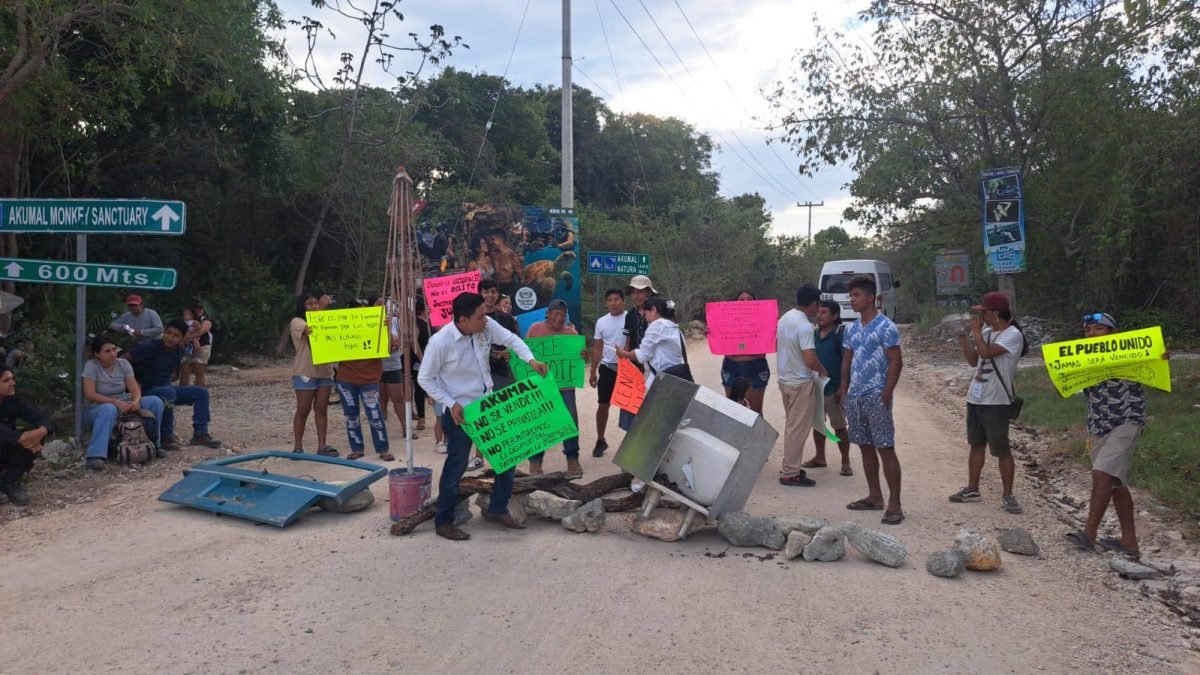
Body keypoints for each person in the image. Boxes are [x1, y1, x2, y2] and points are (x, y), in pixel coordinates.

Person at [418, 291, 548, 541]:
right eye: (480, 316)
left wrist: (531, 360)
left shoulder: (486, 328)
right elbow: (425, 378)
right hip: (461, 414)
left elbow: (512, 339)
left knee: (507, 457)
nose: (485, 320)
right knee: (456, 467)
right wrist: (450, 403)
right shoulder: (441, 342)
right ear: (462, 320)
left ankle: (497, 509)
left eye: (485, 315)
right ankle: (443, 521)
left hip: (489, 406)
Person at [1066, 312, 1164, 559]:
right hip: (1098, 427)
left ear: (1113, 333)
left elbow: (1156, 361)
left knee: (1102, 474)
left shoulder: (1130, 355)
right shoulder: (1085, 359)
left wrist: (1161, 356)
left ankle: (1089, 534)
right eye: (1088, 330)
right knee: (1116, 483)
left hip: (1127, 422)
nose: (1091, 334)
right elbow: (1067, 389)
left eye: (1098, 329)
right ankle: (1129, 543)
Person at [949, 291, 1027, 514]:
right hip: (976, 397)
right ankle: (972, 488)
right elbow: (975, 360)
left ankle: (1008, 494)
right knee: (976, 444)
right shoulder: (986, 331)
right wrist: (963, 337)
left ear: (996, 313)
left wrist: (974, 332)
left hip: (997, 401)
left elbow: (987, 352)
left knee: (1001, 449)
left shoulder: (1012, 335)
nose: (981, 317)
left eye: (984, 313)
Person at [839, 274, 905, 525]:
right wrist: (844, 388)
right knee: (865, 446)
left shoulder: (886, 326)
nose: (852, 301)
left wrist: (886, 392)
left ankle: (895, 503)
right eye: (851, 296)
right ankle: (874, 496)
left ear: (871, 298)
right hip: (856, 396)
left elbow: (896, 360)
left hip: (877, 394)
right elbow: (847, 359)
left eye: (856, 296)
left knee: (885, 447)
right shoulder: (851, 329)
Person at [128, 319, 223, 450]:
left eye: (176, 335)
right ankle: (166, 436)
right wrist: (131, 383)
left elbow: (195, 358)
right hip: (146, 389)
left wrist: (195, 343)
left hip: (165, 388)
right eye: (169, 333)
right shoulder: (149, 346)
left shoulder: (179, 350)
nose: (170, 338)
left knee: (201, 393)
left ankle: (200, 434)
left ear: (181, 338)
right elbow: (123, 360)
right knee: (169, 392)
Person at [82, 334, 166, 471]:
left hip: (123, 401)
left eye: (114, 349)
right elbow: (90, 394)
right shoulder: (91, 366)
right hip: (98, 406)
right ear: (97, 354)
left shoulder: (123, 364)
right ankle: (95, 455)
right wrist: (114, 402)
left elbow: (133, 387)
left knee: (155, 401)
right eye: (107, 351)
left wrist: (136, 401)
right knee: (108, 409)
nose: (113, 354)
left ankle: (155, 444)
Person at [526, 298, 588, 476]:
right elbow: (525, 352)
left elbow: (578, 359)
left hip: (566, 387)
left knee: (570, 421)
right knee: (539, 423)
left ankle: (572, 459)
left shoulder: (572, 334)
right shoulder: (534, 329)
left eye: (562, 315)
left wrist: (583, 354)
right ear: (548, 314)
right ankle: (535, 462)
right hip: (541, 387)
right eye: (555, 314)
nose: (559, 318)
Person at [776, 285, 827, 487]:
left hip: (785, 380)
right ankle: (790, 472)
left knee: (792, 426)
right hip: (800, 382)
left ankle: (791, 464)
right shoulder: (805, 326)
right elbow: (810, 359)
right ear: (814, 303)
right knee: (798, 428)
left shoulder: (784, 318)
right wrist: (822, 370)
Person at [333, 299, 393, 462]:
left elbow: (389, 349)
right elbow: (329, 348)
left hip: (369, 379)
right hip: (346, 379)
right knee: (351, 416)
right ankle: (357, 448)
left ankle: (382, 448)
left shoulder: (378, 327)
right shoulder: (341, 328)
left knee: (374, 414)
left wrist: (386, 329)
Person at [290, 294, 337, 456]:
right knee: (303, 410)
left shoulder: (325, 319)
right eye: (310, 304)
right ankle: (298, 447)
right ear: (302, 308)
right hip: (305, 372)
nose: (315, 306)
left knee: (321, 409)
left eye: (316, 303)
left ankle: (322, 446)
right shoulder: (297, 322)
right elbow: (313, 328)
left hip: (324, 371)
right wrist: (323, 308)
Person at [810, 300, 852, 476]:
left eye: (824, 312)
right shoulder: (814, 334)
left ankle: (845, 461)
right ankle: (820, 457)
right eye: (818, 312)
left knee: (839, 427)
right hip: (816, 388)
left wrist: (843, 387)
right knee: (818, 425)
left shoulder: (839, 334)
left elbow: (846, 361)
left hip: (833, 389)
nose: (819, 315)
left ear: (835, 316)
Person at [0, 365, 52, 505]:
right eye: (6, 381)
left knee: (37, 436)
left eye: (12, 379)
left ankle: (8, 482)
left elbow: (41, 418)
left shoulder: (13, 401)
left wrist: (41, 431)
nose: (13, 383)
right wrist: (20, 438)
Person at [615, 296, 687, 388]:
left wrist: (624, 354)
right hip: (675, 378)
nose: (645, 319)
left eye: (645, 314)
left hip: (659, 381)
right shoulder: (675, 328)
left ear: (653, 310)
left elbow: (642, 355)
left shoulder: (657, 326)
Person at [589, 287, 627, 457]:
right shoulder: (601, 322)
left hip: (628, 369)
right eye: (610, 299)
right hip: (607, 367)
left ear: (623, 301)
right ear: (606, 303)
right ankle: (600, 439)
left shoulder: (632, 318)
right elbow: (597, 347)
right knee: (603, 404)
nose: (613, 303)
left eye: (617, 299)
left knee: (630, 406)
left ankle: (631, 442)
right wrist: (593, 371)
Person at [720, 291, 771, 413]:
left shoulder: (763, 321)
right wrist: (712, 332)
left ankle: (758, 433)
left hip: (756, 368)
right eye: (741, 299)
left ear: (756, 303)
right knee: (733, 413)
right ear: (735, 302)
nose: (745, 302)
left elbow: (764, 350)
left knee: (756, 413)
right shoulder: (726, 321)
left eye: (749, 299)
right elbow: (722, 344)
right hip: (731, 368)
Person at [618, 274, 657, 430]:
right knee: (631, 409)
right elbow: (627, 342)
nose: (636, 296)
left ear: (648, 292)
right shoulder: (630, 316)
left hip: (654, 369)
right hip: (634, 368)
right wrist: (625, 366)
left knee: (652, 410)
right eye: (633, 292)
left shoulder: (657, 313)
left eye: (640, 291)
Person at [378, 296, 415, 443]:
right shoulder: (367, 323)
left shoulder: (395, 322)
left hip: (393, 366)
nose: (384, 306)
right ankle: (380, 431)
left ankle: (406, 428)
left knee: (398, 398)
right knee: (381, 401)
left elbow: (398, 341)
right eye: (379, 304)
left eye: (384, 304)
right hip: (377, 368)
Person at [180, 301, 215, 387]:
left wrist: (189, 337)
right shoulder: (185, 321)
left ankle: (199, 392)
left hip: (202, 347)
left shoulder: (204, 320)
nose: (199, 310)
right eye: (197, 308)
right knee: (185, 372)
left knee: (199, 372)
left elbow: (202, 330)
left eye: (200, 308)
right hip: (188, 347)